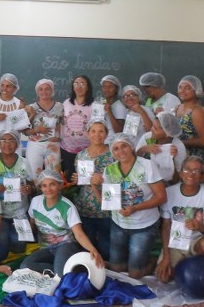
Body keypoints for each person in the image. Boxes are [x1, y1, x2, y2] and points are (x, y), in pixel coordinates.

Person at [103, 133, 166, 278]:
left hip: (144, 225)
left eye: (124, 146)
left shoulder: (146, 165)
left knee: (134, 274)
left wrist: (134, 208)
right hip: (118, 224)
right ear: (112, 152)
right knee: (116, 270)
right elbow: (108, 200)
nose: (121, 151)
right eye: (116, 148)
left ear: (131, 146)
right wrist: (94, 186)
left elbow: (161, 197)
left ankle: (152, 262)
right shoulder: (109, 170)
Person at [21, 169, 104, 277]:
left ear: (60, 186)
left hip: (66, 245)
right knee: (25, 266)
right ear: (40, 187)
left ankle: (61, 270)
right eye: (44, 185)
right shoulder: (35, 201)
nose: (48, 189)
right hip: (46, 247)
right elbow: (32, 224)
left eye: (52, 185)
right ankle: (61, 269)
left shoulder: (68, 206)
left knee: (60, 274)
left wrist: (93, 250)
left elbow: (79, 233)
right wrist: (22, 229)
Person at [156, 156, 204, 283]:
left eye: (196, 171)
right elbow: (166, 227)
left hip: (197, 241)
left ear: (202, 177)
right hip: (175, 241)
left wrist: (200, 227)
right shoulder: (169, 193)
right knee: (164, 277)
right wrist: (166, 257)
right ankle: (166, 261)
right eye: (187, 170)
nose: (190, 174)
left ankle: (200, 266)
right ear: (180, 174)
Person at [0, 130, 35, 253]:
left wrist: (29, 189)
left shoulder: (24, 162)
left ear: (17, 144)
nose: (7, 144)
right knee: (2, 243)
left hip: (20, 212)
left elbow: (33, 185)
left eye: (11, 140)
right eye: (4, 141)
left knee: (19, 246)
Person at [70, 118, 114, 259]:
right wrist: (76, 180)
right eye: (93, 131)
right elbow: (81, 180)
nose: (97, 134)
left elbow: (119, 179)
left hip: (106, 210)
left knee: (107, 252)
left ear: (106, 134)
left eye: (101, 131)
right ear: (88, 134)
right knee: (88, 252)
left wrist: (101, 179)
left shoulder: (113, 155)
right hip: (85, 208)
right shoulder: (81, 155)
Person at [24, 78, 63, 180]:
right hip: (35, 145)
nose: (44, 91)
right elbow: (25, 131)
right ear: (37, 91)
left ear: (52, 91)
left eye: (47, 89)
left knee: (53, 175)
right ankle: (35, 195)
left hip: (53, 145)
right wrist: (37, 129)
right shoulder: (30, 108)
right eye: (40, 89)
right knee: (34, 175)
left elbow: (64, 125)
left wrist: (60, 137)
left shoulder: (60, 106)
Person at [135, 111, 187, 184]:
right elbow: (133, 160)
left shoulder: (178, 147)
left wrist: (172, 160)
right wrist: (144, 149)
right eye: (153, 126)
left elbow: (177, 180)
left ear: (167, 133)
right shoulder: (147, 137)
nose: (151, 129)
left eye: (155, 129)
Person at [60, 75, 94, 180]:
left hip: (86, 151)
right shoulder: (66, 103)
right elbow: (61, 121)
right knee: (68, 181)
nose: (79, 87)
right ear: (73, 87)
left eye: (83, 84)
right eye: (76, 84)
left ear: (88, 87)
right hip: (67, 149)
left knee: (83, 180)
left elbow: (97, 126)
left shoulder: (94, 105)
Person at [0, 73, 25, 156]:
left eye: (8, 86)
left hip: (14, 146)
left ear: (15, 88)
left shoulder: (20, 104)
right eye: (2, 85)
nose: (4, 88)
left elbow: (22, 128)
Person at [175, 75, 204, 158]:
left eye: (187, 88)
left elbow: (203, 141)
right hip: (178, 155)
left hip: (193, 158)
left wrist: (179, 142)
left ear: (196, 91)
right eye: (180, 87)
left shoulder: (197, 111)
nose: (182, 91)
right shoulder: (178, 107)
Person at [98, 75, 127, 143]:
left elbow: (119, 131)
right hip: (101, 141)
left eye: (110, 87)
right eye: (104, 86)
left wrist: (109, 112)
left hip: (112, 143)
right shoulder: (100, 104)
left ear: (116, 89)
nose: (107, 89)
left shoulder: (119, 106)